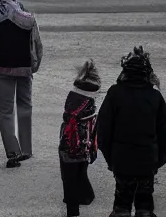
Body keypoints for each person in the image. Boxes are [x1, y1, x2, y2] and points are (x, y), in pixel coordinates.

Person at [97, 46, 166, 217]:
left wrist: (112, 159)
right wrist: (157, 160)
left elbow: (103, 131)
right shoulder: (155, 97)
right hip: (147, 160)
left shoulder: (115, 93)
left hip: (121, 159)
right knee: (145, 206)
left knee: (121, 205)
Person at [0, 0, 43, 168]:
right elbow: (37, 44)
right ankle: (26, 149)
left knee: (6, 112)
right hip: (24, 69)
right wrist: (34, 67)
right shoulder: (28, 17)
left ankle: (13, 152)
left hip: (1, 70)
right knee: (25, 108)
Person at [59, 60, 100, 217]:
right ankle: (86, 195)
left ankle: (73, 209)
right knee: (81, 168)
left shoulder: (73, 100)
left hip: (71, 141)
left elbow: (68, 116)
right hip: (85, 140)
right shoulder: (90, 109)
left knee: (69, 175)